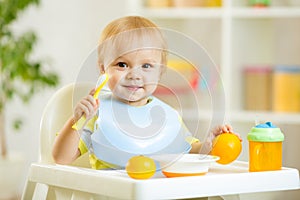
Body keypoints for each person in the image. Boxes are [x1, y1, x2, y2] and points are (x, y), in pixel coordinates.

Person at [52, 16, 235, 169]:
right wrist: (77, 121)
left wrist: (209, 145)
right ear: (103, 68)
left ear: (160, 72)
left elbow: (187, 150)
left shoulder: (168, 114)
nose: (134, 75)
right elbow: (61, 158)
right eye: (122, 64)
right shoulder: (97, 113)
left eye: (146, 66)